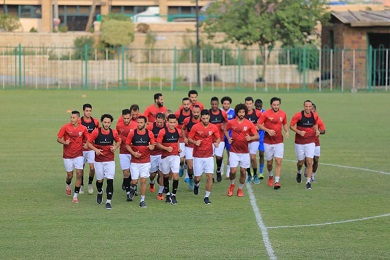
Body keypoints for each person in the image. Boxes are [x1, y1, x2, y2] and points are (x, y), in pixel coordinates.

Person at [86, 114, 121, 209]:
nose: (106, 124)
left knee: (110, 180)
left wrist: (115, 147)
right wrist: (96, 150)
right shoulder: (96, 132)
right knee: (99, 180)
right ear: (102, 122)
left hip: (110, 160)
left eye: (108, 122)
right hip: (99, 161)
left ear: (110, 123)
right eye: (105, 122)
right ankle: (100, 191)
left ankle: (108, 201)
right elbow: (88, 143)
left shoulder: (113, 132)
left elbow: (118, 141)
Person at [225, 104, 259, 197]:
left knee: (243, 171)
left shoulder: (249, 124)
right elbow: (225, 130)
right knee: (233, 171)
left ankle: (240, 189)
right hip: (233, 151)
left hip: (244, 152)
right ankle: (232, 185)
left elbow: (257, 136)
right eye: (239, 112)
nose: (241, 114)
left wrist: (251, 138)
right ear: (237, 112)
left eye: (243, 112)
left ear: (245, 112)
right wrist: (228, 138)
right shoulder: (231, 122)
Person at [188, 109, 220, 204]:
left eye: (207, 118)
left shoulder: (213, 127)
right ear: (201, 118)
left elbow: (218, 138)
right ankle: (196, 184)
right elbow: (189, 138)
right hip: (198, 156)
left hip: (209, 156)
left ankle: (206, 197)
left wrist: (217, 143)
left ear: (209, 117)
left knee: (209, 176)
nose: (205, 120)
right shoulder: (195, 127)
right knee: (198, 177)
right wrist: (195, 142)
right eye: (203, 118)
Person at [57, 110, 89, 203]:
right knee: (69, 175)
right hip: (67, 155)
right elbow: (58, 138)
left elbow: (88, 139)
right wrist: (64, 142)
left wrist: (87, 144)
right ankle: (68, 184)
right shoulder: (65, 127)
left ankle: (75, 196)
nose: (71, 119)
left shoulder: (83, 128)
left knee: (79, 174)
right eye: (71, 117)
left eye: (73, 117)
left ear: (78, 119)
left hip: (79, 154)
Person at [257, 97, 289, 189]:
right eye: (274, 105)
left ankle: (277, 181)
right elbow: (259, 124)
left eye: (278, 105)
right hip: (268, 141)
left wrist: (286, 131)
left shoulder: (283, 114)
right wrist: (268, 130)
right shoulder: (266, 113)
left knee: (278, 161)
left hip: (279, 141)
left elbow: (285, 123)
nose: (276, 106)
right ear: (271, 105)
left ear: (279, 105)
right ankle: (270, 175)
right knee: (270, 163)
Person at [125, 115, 156, 208]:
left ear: (145, 123)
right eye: (138, 122)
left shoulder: (149, 134)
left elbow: (153, 144)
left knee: (143, 180)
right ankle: (132, 188)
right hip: (135, 162)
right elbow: (127, 145)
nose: (139, 124)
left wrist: (152, 147)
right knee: (134, 181)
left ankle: (142, 200)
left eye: (141, 122)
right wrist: (133, 153)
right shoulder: (132, 133)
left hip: (145, 162)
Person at [290, 100, 320, 190]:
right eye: (306, 106)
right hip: (299, 142)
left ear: (312, 107)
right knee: (300, 162)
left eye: (309, 106)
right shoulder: (298, 115)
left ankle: (308, 182)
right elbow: (291, 126)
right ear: (304, 106)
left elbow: (315, 124)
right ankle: (299, 171)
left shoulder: (315, 115)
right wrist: (299, 131)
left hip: (310, 142)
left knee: (309, 161)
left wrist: (317, 130)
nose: (308, 108)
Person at [156, 114, 182, 205]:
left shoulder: (178, 131)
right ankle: (167, 194)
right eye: (170, 122)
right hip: (165, 157)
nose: (172, 124)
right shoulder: (163, 132)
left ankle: (173, 195)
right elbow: (158, 144)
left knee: (175, 176)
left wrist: (178, 148)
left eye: (174, 122)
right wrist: (166, 148)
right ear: (167, 122)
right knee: (166, 176)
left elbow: (177, 140)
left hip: (175, 156)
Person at [116, 109, 137, 202]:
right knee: (126, 172)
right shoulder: (119, 126)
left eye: (128, 118)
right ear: (122, 117)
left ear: (131, 117)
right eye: (124, 118)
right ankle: (128, 193)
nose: (126, 120)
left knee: (133, 172)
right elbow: (116, 137)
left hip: (133, 152)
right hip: (123, 152)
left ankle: (131, 185)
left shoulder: (135, 125)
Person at [80, 103, 99, 195]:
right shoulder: (79, 121)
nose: (88, 113)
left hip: (91, 148)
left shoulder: (95, 122)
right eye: (87, 111)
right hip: (81, 149)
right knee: (81, 168)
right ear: (83, 111)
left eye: (90, 111)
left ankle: (90, 183)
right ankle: (82, 184)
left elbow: (98, 133)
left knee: (92, 168)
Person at [304, 103, 326, 182]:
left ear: (314, 110)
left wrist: (319, 131)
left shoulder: (318, 120)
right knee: (306, 160)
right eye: (308, 108)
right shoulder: (303, 118)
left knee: (316, 159)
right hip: (306, 142)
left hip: (316, 142)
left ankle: (312, 175)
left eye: (312, 109)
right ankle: (307, 168)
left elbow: (324, 131)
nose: (310, 110)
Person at [146, 113, 166, 200]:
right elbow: (145, 137)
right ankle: (151, 181)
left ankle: (160, 193)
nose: (159, 124)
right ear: (155, 120)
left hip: (162, 153)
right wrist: (151, 143)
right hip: (152, 154)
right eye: (158, 122)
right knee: (152, 174)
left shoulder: (167, 127)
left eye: (161, 122)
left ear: (164, 121)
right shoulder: (150, 127)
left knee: (162, 173)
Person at [182, 105, 201, 190]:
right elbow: (183, 129)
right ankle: (190, 179)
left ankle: (196, 180)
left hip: (199, 148)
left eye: (197, 112)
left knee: (196, 168)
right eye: (194, 112)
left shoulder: (203, 121)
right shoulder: (187, 120)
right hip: (189, 147)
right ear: (191, 112)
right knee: (190, 167)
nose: (196, 114)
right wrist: (185, 138)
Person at [209, 96, 228, 182]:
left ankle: (218, 170)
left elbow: (227, 122)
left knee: (219, 157)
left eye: (216, 104)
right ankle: (211, 175)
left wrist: (224, 126)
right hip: (210, 139)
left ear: (218, 104)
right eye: (213, 104)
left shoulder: (223, 113)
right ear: (211, 104)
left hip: (220, 139)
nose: (214, 106)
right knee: (210, 157)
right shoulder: (208, 113)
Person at [244, 97, 262, 184]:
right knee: (247, 159)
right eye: (247, 104)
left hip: (254, 138)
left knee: (253, 157)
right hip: (245, 139)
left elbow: (263, 123)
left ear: (253, 104)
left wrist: (258, 126)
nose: (248, 105)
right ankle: (249, 175)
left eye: (250, 104)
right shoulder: (242, 113)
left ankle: (255, 174)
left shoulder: (258, 113)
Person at [174, 97, 192, 179]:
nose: (186, 106)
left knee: (189, 161)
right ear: (182, 105)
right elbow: (174, 125)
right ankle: (181, 166)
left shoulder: (193, 114)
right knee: (181, 160)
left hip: (190, 141)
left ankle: (188, 177)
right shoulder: (178, 114)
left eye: (188, 104)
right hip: (181, 139)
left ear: (190, 105)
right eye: (184, 104)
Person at [221, 96, 235, 178]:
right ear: (222, 104)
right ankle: (221, 167)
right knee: (220, 154)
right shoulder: (219, 111)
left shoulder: (233, 112)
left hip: (230, 135)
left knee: (230, 153)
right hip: (221, 135)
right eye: (225, 104)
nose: (226, 105)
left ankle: (228, 170)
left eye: (228, 104)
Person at [254, 99, 266, 180]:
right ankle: (252, 171)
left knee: (261, 153)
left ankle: (261, 172)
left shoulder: (264, 113)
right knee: (252, 155)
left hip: (262, 134)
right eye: (257, 107)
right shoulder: (252, 112)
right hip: (253, 135)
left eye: (260, 107)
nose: (258, 108)